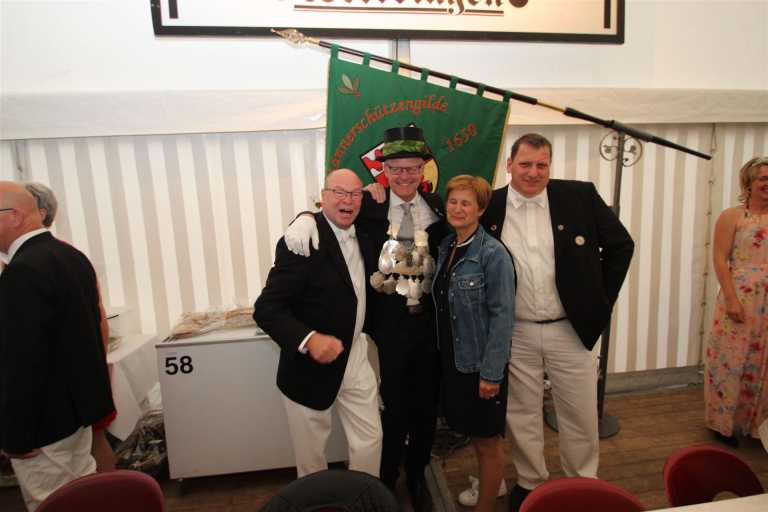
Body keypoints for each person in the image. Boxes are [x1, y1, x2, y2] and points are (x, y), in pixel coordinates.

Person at [284, 126, 448, 511]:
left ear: (423, 170)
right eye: (396, 169)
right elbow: (331, 215)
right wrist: (303, 217)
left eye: (412, 168)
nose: (404, 176)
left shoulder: (438, 206)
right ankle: (385, 479)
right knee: (391, 406)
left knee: (426, 406)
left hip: (430, 325)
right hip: (387, 327)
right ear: (384, 171)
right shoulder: (370, 206)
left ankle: (417, 476)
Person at [480, 133, 634, 511]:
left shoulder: (579, 196)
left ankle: (582, 482)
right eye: (525, 164)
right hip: (516, 330)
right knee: (521, 412)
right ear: (509, 165)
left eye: (542, 165)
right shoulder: (491, 206)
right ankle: (530, 482)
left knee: (579, 411)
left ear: (550, 165)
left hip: (570, 328)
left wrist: (600, 302)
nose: (533, 172)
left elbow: (621, 245)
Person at [253, 169, 383, 479]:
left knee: (370, 440)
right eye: (338, 192)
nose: (347, 200)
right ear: (322, 197)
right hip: (308, 368)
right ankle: (316, 500)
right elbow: (266, 309)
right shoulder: (301, 240)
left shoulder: (365, 232)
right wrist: (309, 339)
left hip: (355, 356)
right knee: (312, 460)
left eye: (354, 194)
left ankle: (364, 499)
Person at [0, 181, 114, 511]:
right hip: (76, 413)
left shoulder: (23, 271)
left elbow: (22, 361)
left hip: (44, 424)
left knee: (52, 502)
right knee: (84, 495)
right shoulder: (70, 256)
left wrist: (15, 434)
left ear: (14, 216)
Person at [433, 175, 516, 512]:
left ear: (481, 209)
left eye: (466, 203)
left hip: (481, 367)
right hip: (455, 362)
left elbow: (503, 318)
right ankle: (486, 489)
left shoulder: (493, 254)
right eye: (453, 201)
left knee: (487, 443)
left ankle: (486, 507)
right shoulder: (447, 246)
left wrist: (492, 374)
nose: (457, 208)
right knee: (473, 436)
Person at [24, 182, 117, 472]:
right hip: (80, 376)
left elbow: (97, 315)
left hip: (59, 386)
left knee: (82, 452)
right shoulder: (67, 256)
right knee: (91, 445)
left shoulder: (38, 262)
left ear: (39, 213)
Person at [705, 156, 768, 446]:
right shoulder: (732, 216)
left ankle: (757, 425)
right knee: (730, 358)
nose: (767, 184)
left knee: (762, 361)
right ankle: (723, 425)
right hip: (740, 294)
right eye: (763, 179)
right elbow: (720, 259)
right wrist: (731, 298)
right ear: (749, 183)